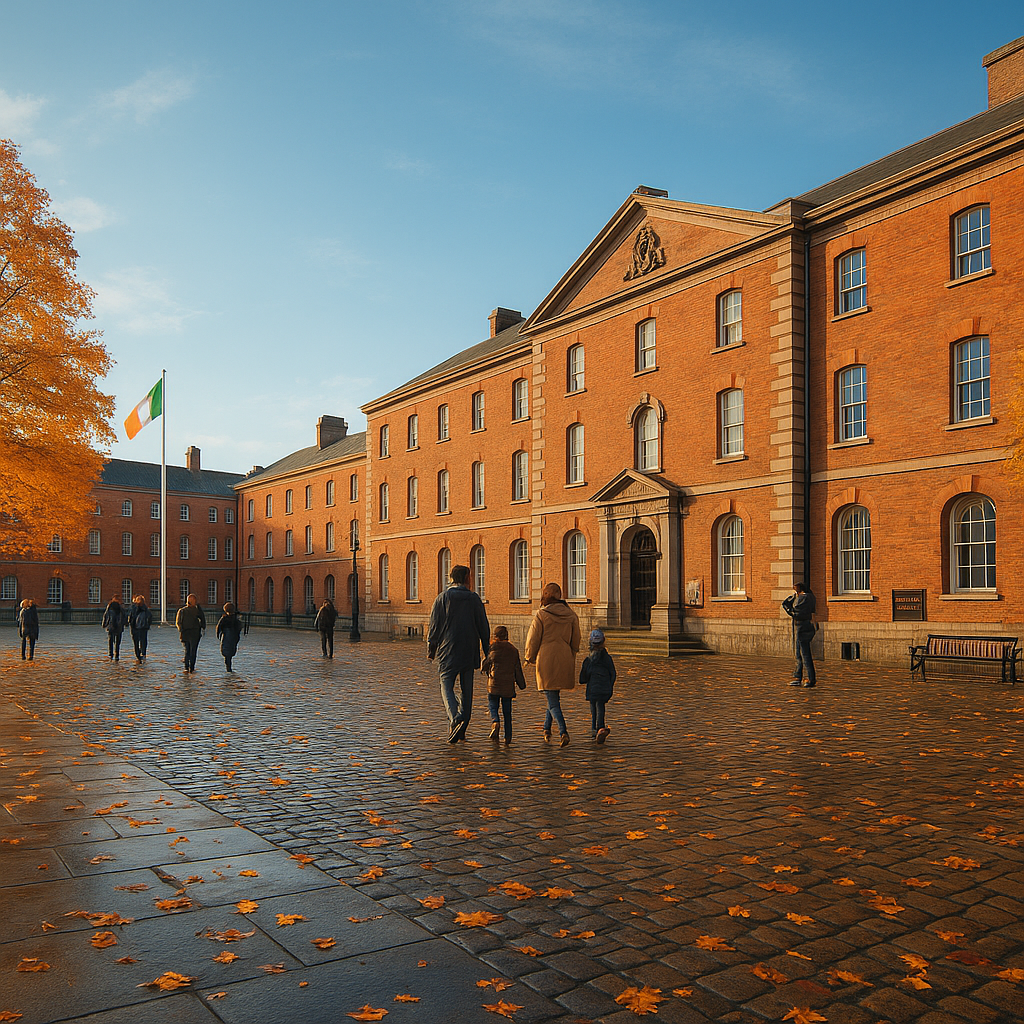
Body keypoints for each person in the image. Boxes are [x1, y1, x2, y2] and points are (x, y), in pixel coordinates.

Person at [427, 564, 490, 743]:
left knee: (445, 685)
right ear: (467, 578)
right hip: (469, 650)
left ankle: (455, 718)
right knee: (466, 690)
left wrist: (431, 649)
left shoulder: (443, 598)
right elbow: (483, 627)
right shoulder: (474, 599)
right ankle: (462, 726)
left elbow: (434, 625)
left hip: (448, 650)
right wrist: (487, 652)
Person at [525, 582, 581, 747]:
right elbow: (576, 640)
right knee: (553, 697)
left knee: (552, 700)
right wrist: (572, 651)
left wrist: (529, 656)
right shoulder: (571, 615)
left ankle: (563, 731)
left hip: (546, 659)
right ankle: (546, 729)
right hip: (564, 657)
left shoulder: (541, 615)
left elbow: (533, 638)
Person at [481, 625, 526, 745]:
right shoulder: (513, 650)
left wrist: (483, 666)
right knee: (507, 712)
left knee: (493, 705)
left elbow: (486, 664)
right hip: (508, 686)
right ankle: (508, 737)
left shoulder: (492, 648)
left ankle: (495, 721)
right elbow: (517, 669)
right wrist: (522, 684)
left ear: (495, 636)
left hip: (494, 683)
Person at [580, 627, 616, 743]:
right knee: (600, 707)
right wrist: (609, 686)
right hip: (605, 689)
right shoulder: (607, 658)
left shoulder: (588, 660)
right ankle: (600, 728)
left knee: (594, 710)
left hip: (592, 690)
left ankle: (596, 729)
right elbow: (613, 674)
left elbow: (582, 678)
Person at [783, 582, 818, 688]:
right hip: (806, 625)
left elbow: (795, 610)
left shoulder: (804, 598)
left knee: (805, 653)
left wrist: (790, 610)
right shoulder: (810, 596)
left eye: (795, 590)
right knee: (798, 652)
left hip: (803, 626)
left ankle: (810, 678)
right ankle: (798, 676)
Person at [175, 593, 206, 673]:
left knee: (187, 650)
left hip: (185, 633)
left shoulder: (182, 611)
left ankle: (186, 666)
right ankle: (191, 667)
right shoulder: (197, 611)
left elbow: (178, 622)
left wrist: (181, 630)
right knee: (193, 650)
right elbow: (203, 620)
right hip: (194, 633)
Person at [216, 602, 243, 672]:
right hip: (233, 638)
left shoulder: (224, 619)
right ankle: (229, 667)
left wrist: (218, 635)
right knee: (230, 652)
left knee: (226, 652)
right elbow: (239, 628)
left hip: (226, 638)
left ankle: (228, 667)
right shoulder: (236, 620)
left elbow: (218, 627)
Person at [128, 595, 153, 662]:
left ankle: (138, 654)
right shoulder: (146, 609)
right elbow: (150, 617)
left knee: (136, 642)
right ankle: (143, 653)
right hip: (143, 627)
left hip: (135, 627)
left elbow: (130, 618)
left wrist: (130, 624)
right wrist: (147, 625)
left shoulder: (133, 608)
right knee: (143, 640)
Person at [102, 598, 126, 662]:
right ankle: (117, 654)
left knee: (111, 640)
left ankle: (110, 653)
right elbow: (124, 617)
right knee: (117, 642)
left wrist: (104, 624)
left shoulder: (109, 608)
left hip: (111, 626)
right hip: (119, 627)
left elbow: (106, 616)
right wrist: (125, 623)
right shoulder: (121, 609)